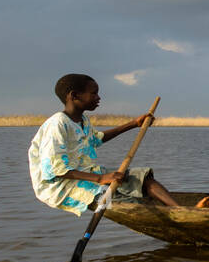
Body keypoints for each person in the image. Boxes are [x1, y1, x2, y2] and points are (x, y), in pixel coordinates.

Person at [28, 73, 187, 215]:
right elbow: (56, 169)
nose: (98, 98)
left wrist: (134, 124)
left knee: (143, 179)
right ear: (74, 95)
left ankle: (183, 212)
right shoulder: (57, 124)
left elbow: (97, 139)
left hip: (87, 174)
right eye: (94, 93)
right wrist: (100, 178)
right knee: (127, 201)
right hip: (62, 185)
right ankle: (176, 217)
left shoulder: (82, 120)